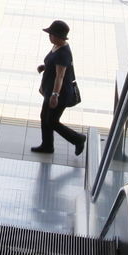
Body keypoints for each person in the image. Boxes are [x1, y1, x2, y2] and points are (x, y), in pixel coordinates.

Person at [31, 19, 86, 159]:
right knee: (44, 117)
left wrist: (54, 95)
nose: (49, 36)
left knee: (52, 121)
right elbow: (53, 64)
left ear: (58, 36)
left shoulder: (63, 53)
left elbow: (60, 76)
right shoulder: (57, 46)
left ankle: (78, 139)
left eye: (51, 34)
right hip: (50, 90)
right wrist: (44, 67)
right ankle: (47, 145)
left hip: (60, 93)